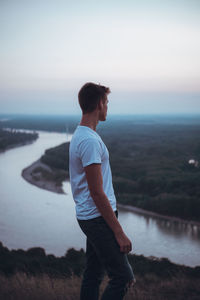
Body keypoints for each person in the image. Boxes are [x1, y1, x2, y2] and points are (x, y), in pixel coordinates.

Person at [69, 82, 135, 300]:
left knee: (94, 274)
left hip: (91, 216)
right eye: (106, 102)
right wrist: (119, 232)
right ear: (99, 103)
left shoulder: (82, 134)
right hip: (98, 218)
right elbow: (97, 192)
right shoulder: (88, 140)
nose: (107, 107)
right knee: (123, 277)